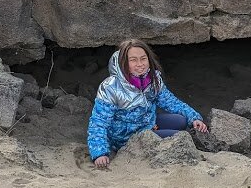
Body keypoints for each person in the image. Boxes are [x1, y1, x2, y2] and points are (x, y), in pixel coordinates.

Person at [87, 39, 208, 169]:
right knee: (180, 137)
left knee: (182, 121)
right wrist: (100, 153)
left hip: (147, 123)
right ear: (123, 62)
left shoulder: (153, 79)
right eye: (133, 60)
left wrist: (194, 117)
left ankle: (157, 128)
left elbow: (171, 102)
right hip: (127, 137)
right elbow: (98, 122)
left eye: (143, 59)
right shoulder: (110, 87)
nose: (140, 64)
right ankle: (151, 135)